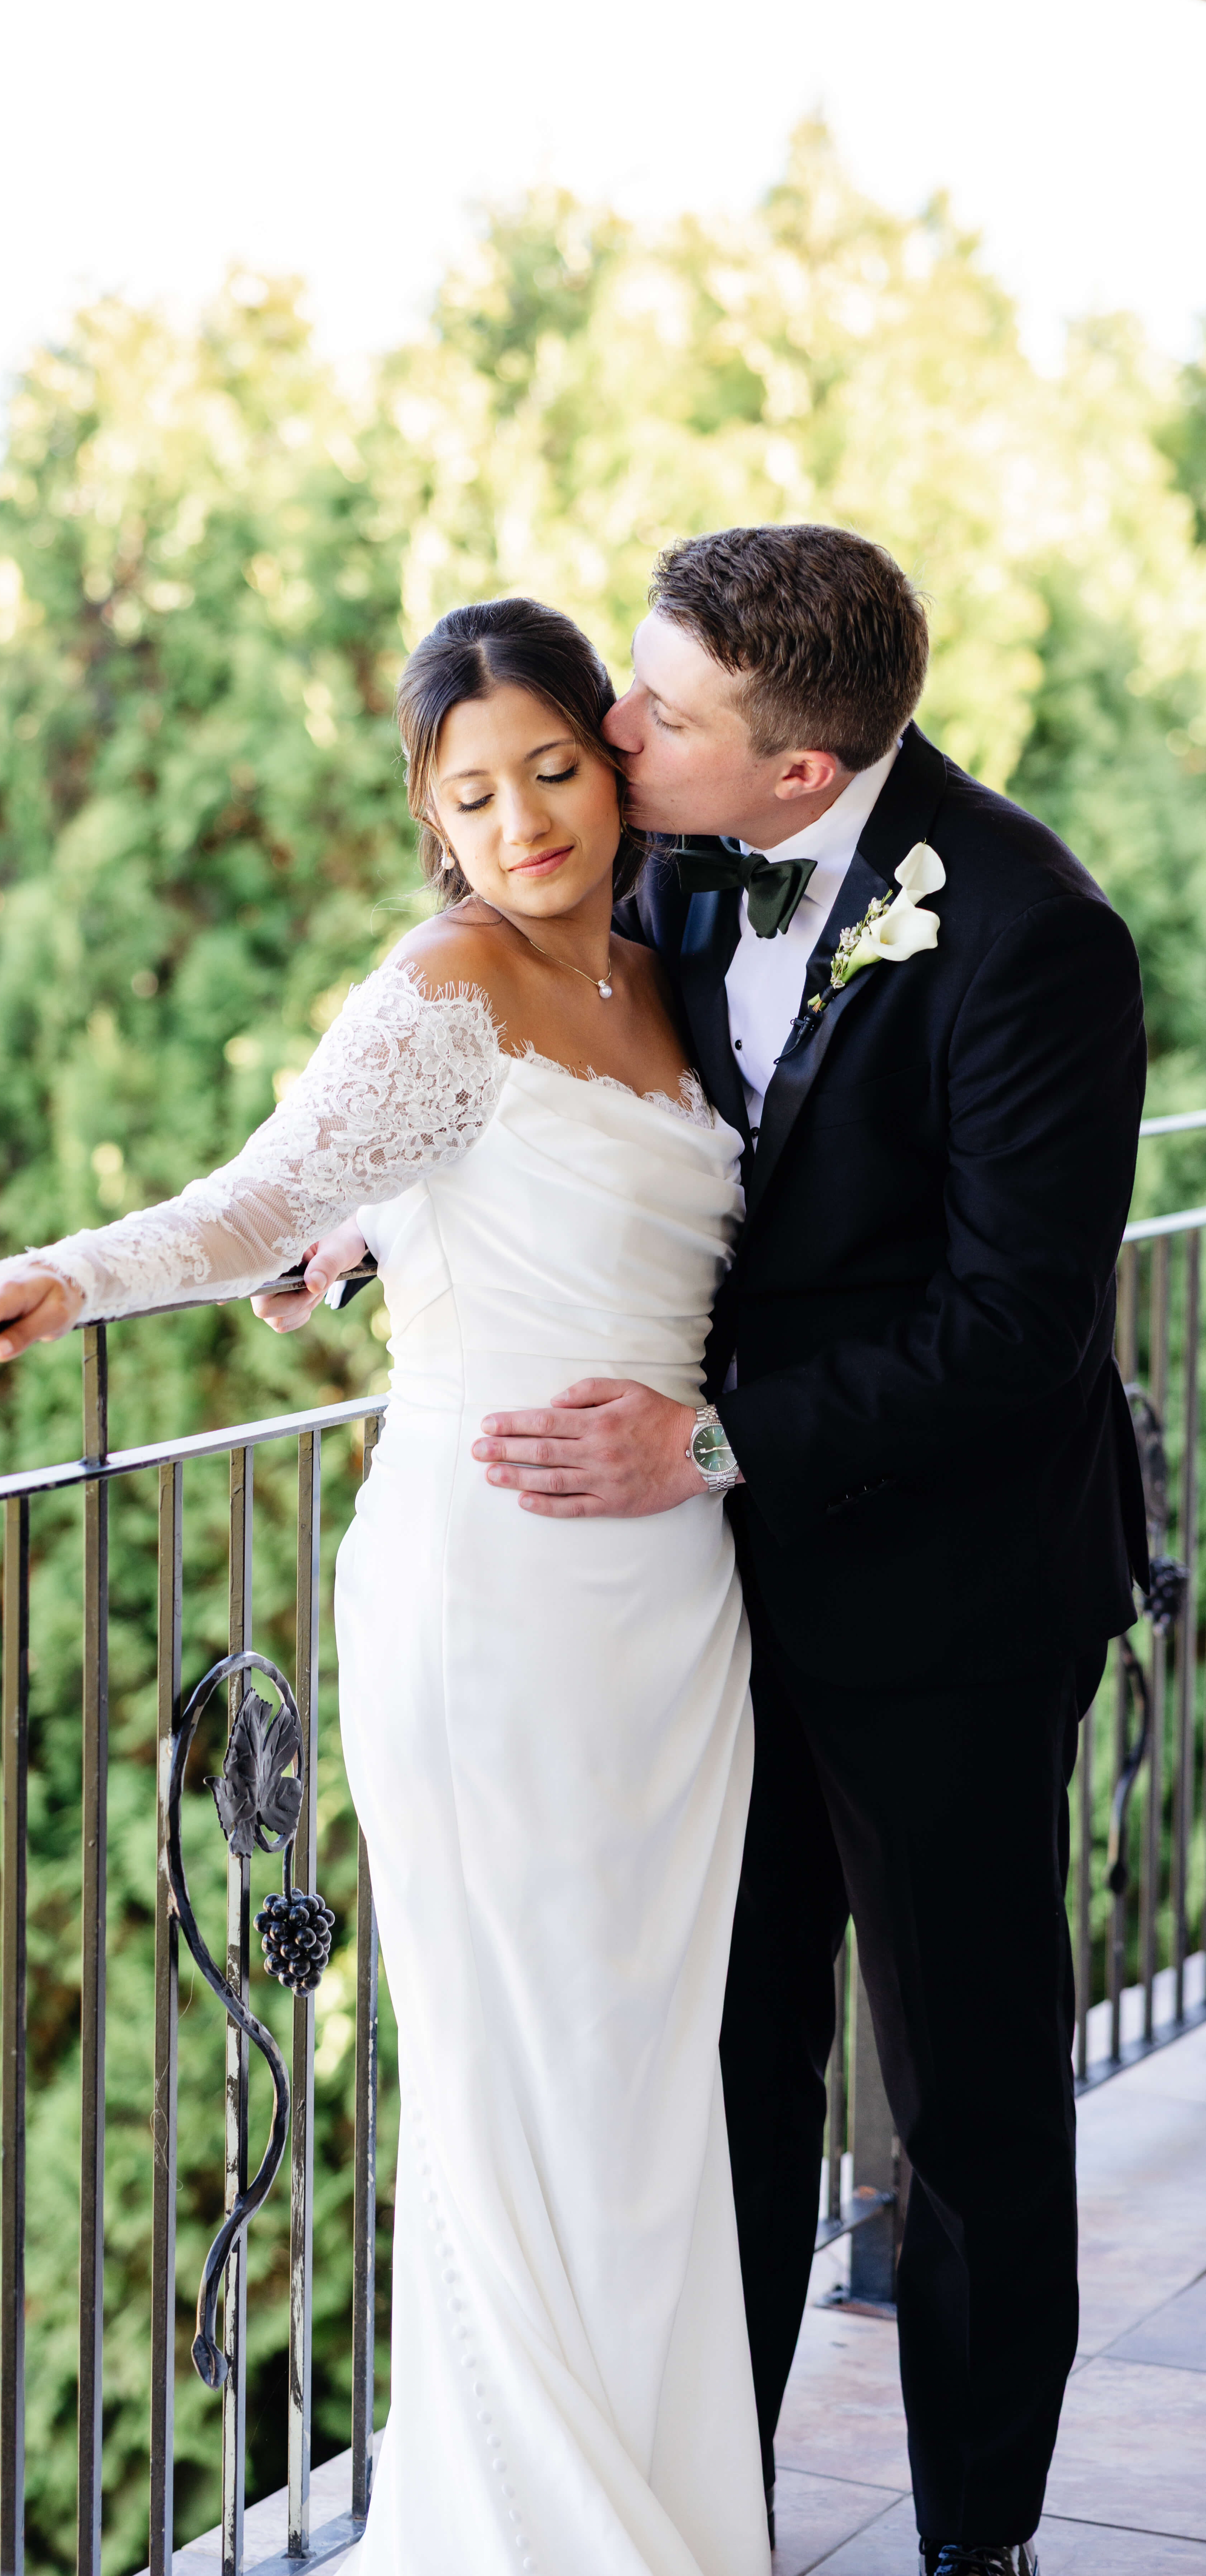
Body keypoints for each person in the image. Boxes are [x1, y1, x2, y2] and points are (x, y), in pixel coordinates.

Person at [0, 597, 774, 2575]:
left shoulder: (666, 973)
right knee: (516, 2069)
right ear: (432, 816)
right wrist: (77, 1269)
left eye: (553, 765)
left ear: (611, 765)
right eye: (472, 792)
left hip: (672, 1607)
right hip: (495, 1595)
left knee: (643, 2082)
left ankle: (671, 2515)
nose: (524, 817)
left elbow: (459, 1195)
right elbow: (264, 1192)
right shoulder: (439, 986)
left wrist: (393, 1226)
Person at [455, 526, 1148, 2576]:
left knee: (969, 2116)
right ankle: (707, 2520)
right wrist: (375, 1223)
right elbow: (534, 1071)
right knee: (722, 2090)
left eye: (658, 713)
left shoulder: (1034, 935)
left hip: (948, 1605)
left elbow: (1017, 1330)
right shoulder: (663, 858)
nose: (612, 726)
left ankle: (980, 2542)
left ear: (799, 774)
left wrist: (718, 1437)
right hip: (703, 1616)